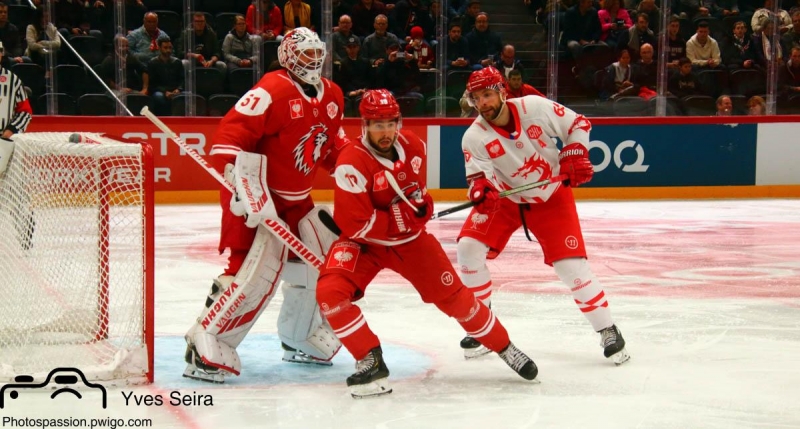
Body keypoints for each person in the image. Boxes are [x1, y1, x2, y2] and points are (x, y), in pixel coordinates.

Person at [316, 89, 539, 398]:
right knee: (330, 293)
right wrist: (401, 216)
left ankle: (505, 346)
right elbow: (357, 224)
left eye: (390, 124)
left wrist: (422, 208)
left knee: (458, 300)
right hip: (363, 244)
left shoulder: (414, 146)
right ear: (364, 126)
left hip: (410, 243)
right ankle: (370, 359)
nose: (386, 132)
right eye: (378, 125)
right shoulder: (350, 163)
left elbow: (418, 196)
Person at [183, 28, 350, 383]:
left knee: (316, 265)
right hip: (255, 196)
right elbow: (232, 135)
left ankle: (299, 336)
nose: (313, 61)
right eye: (305, 55)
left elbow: (332, 147)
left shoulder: (333, 95)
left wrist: (356, 170)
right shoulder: (271, 89)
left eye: (316, 54)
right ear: (288, 57)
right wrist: (237, 184)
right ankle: (206, 341)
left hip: (297, 200)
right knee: (252, 270)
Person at [455, 66, 630, 365]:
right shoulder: (473, 137)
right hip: (506, 200)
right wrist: (482, 192)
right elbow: (479, 178)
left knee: (571, 267)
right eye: (476, 98)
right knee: (468, 247)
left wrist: (576, 151)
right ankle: (482, 326)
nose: (483, 103)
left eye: (487, 95)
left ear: (502, 92)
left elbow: (578, 123)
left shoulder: (533, 108)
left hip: (551, 195)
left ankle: (607, 329)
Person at [0, 41, 31, 139]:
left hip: (4, 138)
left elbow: (25, 111)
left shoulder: (13, 80)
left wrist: (10, 131)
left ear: (2, 54)